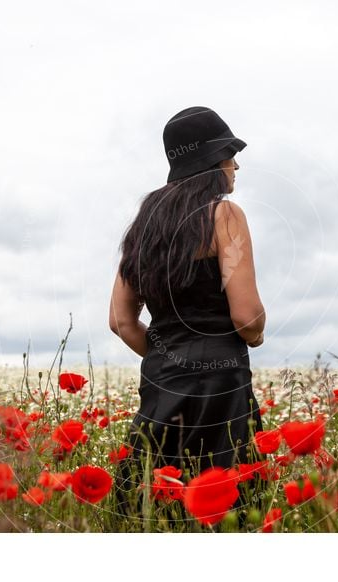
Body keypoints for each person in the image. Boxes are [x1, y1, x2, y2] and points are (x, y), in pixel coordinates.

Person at [109, 106, 267, 527]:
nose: (236, 166)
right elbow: (247, 317)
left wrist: (167, 357)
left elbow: (121, 321)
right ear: (215, 161)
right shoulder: (225, 215)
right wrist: (256, 334)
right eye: (231, 155)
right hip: (223, 386)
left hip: (162, 381)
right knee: (232, 513)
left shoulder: (145, 223)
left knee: (153, 505)